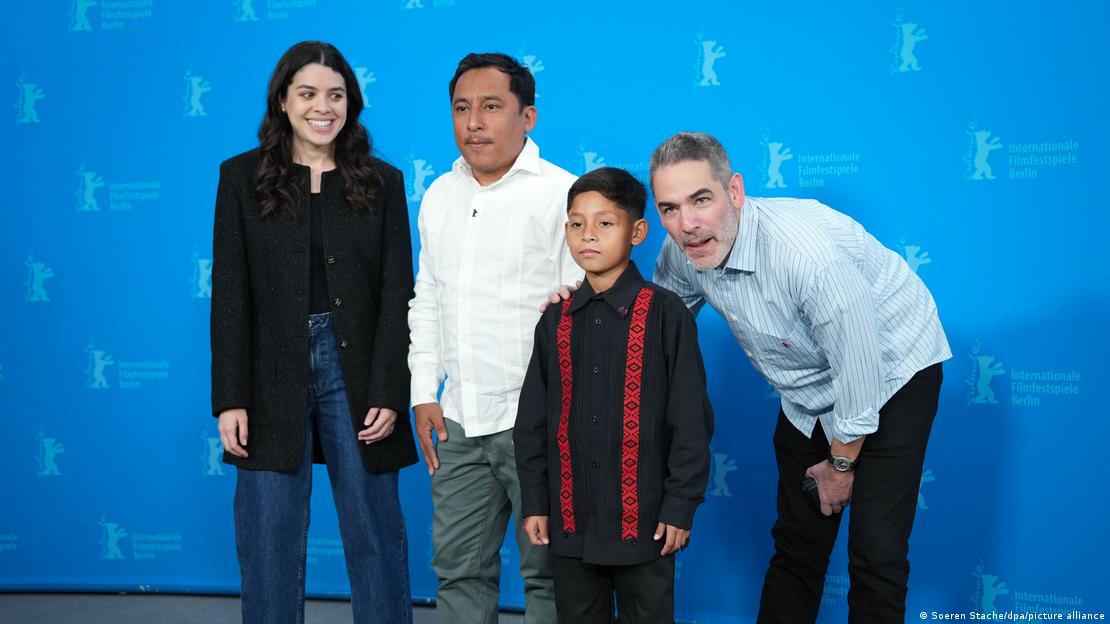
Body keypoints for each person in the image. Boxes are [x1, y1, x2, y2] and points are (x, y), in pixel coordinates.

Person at [647, 132, 951, 623]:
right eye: (669, 208)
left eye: (701, 199)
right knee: (797, 542)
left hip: (893, 371)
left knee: (876, 551)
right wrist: (588, 299)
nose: (687, 224)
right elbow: (652, 324)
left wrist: (842, 464)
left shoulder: (806, 256)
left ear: (735, 191)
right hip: (808, 389)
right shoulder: (684, 247)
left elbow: (859, 367)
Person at [210, 40, 416, 624]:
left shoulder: (382, 181)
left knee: (374, 531)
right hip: (270, 370)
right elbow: (230, 295)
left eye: (336, 94)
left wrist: (386, 389)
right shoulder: (240, 178)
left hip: (356, 369)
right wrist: (231, 397)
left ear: (351, 103)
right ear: (282, 99)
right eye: (307, 93)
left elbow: (397, 296)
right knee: (268, 537)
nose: (322, 107)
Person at [407, 52, 579, 624]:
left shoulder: (565, 197)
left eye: (491, 107)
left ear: (527, 116)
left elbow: (580, 314)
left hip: (538, 421)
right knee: (458, 572)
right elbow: (427, 298)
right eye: (461, 108)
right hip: (457, 420)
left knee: (551, 574)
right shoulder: (437, 196)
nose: (473, 122)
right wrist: (423, 391)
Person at [514, 167, 713, 624]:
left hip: (643, 523)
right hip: (571, 520)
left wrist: (679, 507)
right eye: (576, 223)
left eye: (606, 223)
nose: (589, 235)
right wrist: (536, 502)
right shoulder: (555, 319)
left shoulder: (666, 314)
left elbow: (690, 422)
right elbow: (533, 422)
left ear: (637, 231)